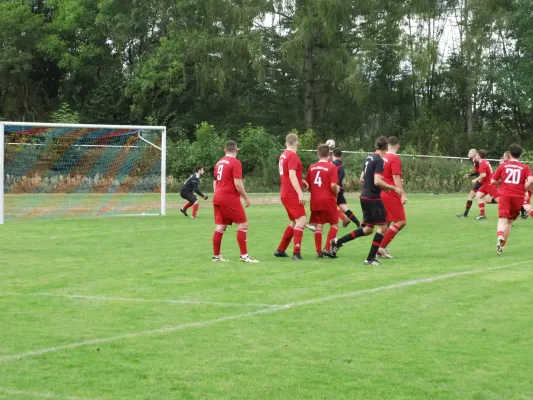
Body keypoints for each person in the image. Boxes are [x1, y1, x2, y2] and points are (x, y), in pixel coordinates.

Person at [330, 136, 402, 265]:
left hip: (364, 196)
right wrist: (393, 188)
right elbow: (377, 181)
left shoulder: (369, 157)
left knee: (368, 229)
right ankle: (370, 258)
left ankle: (337, 242)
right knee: (383, 227)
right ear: (386, 147)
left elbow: (362, 178)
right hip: (373, 198)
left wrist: (377, 187)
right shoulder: (379, 160)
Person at [212, 140, 259, 263]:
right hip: (229, 197)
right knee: (243, 225)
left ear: (224, 150)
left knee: (220, 226)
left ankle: (216, 257)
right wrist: (246, 197)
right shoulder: (235, 162)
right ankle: (244, 256)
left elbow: (215, 181)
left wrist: (217, 194)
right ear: (237, 150)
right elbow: (238, 184)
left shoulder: (218, 163)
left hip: (217, 196)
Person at [490, 144, 533, 255]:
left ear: (509, 154)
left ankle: (500, 235)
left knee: (502, 218)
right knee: (509, 222)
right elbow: (531, 180)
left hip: (505, 194)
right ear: (520, 155)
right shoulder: (525, 167)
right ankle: (502, 245)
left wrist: (501, 182)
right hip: (518, 196)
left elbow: (493, 181)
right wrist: (524, 190)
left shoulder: (503, 166)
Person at [274, 133, 309, 261]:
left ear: (286, 143)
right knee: (301, 220)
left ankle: (280, 249)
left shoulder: (283, 155)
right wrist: (300, 192)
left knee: (294, 221)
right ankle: (296, 253)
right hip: (291, 193)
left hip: (285, 191)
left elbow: (290, 174)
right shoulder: (293, 156)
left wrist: (301, 180)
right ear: (297, 143)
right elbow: (292, 175)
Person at [305, 144, 340, 258]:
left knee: (318, 226)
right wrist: (336, 192)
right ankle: (326, 248)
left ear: (318, 154)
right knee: (334, 224)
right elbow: (333, 185)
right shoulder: (332, 167)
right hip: (328, 200)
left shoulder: (312, 167)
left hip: (315, 201)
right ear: (329, 154)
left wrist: (314, 192)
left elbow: (307, 185)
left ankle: (319, 252)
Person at [377, 136, 407, 259]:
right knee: (401, 221)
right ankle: (381, 247)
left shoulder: (382, 157)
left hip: (382, 193)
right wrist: (402, 194)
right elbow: (395, 178)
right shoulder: (395, 158)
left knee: (386, 223)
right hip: (391, 194)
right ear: (398, 146)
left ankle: (377, 250)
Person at [331, 149, 360, 228]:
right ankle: (358, 223)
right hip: (340, 187)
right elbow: (342, 173)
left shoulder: (334, 164)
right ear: (341, 155)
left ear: (333, 154)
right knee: (343, 208)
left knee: (330, 206)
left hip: (334, 188)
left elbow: (340, 174)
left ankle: (344, 219)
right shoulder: (340, 164)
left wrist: (336, 184)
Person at [472, 150, 499, 220]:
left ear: (479, 156)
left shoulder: (482, 163)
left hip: (490, 184)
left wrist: (476, 180)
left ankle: (509, 214)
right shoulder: (485, 161)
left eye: (477, 155)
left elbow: (483, 174)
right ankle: (482, 214)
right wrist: (481, 180)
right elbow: (486, 173)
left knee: (499, 200)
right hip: (486, 183)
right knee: (478, 196)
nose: (476, 156)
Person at [457, 149, 481, 218]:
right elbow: (478, 172)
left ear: (474, 154)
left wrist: (477, 179)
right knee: (479, 197)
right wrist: (470, 175)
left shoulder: (476, 162)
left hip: (481, 181)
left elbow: (480, 172)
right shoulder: (475, 162)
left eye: (469, 153)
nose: (468, 154)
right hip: (481, 181)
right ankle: (481, 214)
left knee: (471, 195)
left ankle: (465, 214)